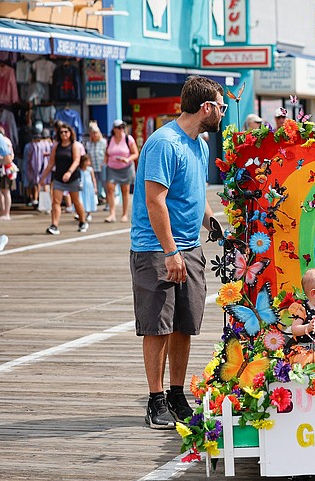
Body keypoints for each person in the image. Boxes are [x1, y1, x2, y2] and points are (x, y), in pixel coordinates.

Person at [130, 75, 224, 429]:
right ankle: (155, 401)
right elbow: (155, 201)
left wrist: (214, 227)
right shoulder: (163, 143)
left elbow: (196, 196)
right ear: (206, 107)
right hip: (157, 249)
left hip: (189, 247)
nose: (223, 114)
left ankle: (176, 394)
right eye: (221, 107)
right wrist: (171, 252)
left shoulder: (198, 144)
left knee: (185, 323)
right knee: (158, 326)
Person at [40, 124, 87, 235]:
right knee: (56, 201)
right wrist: (43, 177)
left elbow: (76, 161)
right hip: (59, 177)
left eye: (66, 131)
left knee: (75, 201)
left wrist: (69, 172)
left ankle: (82, 221)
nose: (64, 134)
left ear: (70, 133)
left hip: (72, 177)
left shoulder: (74, 145)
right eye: (61, 132)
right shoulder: (56, 146)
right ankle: (54, 225)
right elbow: (51, 163)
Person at [104, 119, 139, 223]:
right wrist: (104, 162)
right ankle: (112, 214)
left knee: (125, 190)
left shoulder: (129, 139)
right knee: (110, 189)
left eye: (123, 127)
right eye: (119, 127)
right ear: (114, 129)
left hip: (126, 167)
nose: (121, 129)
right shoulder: (110, 139)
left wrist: (127, 159)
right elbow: (107, 153)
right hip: (112, 167)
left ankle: (124, 214)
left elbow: (135, 153)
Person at [84, 122, 107, 204]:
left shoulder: (104, 142)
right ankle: (96, 200)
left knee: (105, 183)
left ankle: (108, 201)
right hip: (93, 167)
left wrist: (104, 163)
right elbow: (88, 155)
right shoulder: (88, 144)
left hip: (102, 166)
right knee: (95, 184)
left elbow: (106, 153)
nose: (94, 135)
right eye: (93, 133)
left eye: (96, 133)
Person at [0, 125, 14, 221]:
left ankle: (6, 212)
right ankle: (4, 212)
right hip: (3, 170)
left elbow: (9, 159)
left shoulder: (3, 140)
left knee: (5, 191)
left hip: (6, 170)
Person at [77, 154, 97, 222]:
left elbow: (93, 178)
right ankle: (80, 213)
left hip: (89, 187)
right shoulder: (79, 170)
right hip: (81, 187)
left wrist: (95, 187)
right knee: (81, 199)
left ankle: (88, 213)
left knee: (88, 199)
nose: (88, 163)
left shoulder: (90, 169)